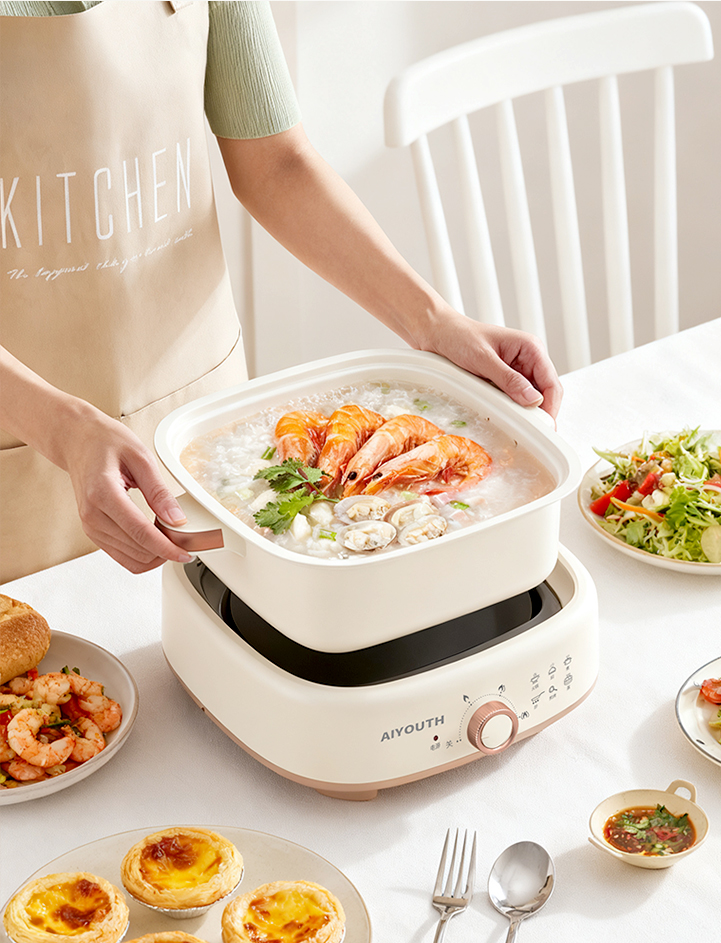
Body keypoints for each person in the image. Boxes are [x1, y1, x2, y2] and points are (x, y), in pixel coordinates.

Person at [0, 1, 562, 583]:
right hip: (20, 441)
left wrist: (435, 322)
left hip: (200, 418)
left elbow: (275, 164)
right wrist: (63, 430)